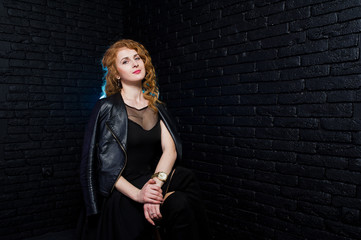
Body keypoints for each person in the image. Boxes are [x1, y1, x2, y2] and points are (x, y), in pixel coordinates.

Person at [77, 39, 210, 240]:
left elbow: (170, 150)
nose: (135, 63)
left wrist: (153, 191)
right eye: (125, 61)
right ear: (115, 73)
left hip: (153, 179)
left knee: (182, 200)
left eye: (137, 58)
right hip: (123, 188)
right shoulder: (106, 107)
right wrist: (139, 195)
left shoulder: (157, 107)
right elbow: (103, 165)